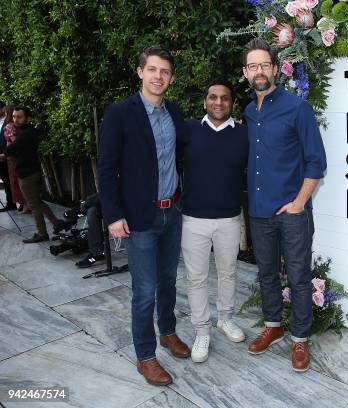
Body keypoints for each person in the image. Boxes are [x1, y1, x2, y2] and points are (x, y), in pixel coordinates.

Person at [97, 46, 188, 386]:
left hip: (172, 212)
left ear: (172, 78)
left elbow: (187, 151)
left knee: (168, 282)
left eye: (164, 71)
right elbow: (106, 170)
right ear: (140, 72)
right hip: (137, 219)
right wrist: (113, 214)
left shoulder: (174, 113)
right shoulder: (121, 114)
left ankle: (168, 333)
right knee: (145, 289)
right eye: (152, 69)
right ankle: (146, 357)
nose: (158, 76)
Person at [242, 38, 327, 372]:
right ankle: (274, 327)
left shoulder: (297, 108)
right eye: (253, 66)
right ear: (245, 72)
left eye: (265, 64)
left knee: (298, 277)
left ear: (275, 69)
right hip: (259, 212)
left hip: (292, 214)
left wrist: (299, 203)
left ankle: (300, 340)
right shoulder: (248, 112)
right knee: (265, 274)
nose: (260, 71)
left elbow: (316, 163)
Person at [181, 79, 248, 363]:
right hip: (193, 219)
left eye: (224, 98)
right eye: (213, 97)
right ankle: (201, 330)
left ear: (232, 103)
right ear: (204, 101)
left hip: (229, 218)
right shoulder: (187, 130)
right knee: (196, 278)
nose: (218, 102)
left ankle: (225, 319)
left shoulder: (244, 134)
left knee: (228, 272)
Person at [4, 106, 71, 243]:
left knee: (34, 204)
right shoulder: (26, 132)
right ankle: (57, 223)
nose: (16, 120)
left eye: (19, 117)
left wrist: (12, 140)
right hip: (29, 171)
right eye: (14, 116)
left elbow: (9, 150)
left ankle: (42, 233)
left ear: (29, 118)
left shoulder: (27, 134)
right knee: (37, 202)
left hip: (27, 174)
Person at [2, 106, 27, 213]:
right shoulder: (17, 126)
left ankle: (24, 203)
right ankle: (22, 203)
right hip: (12, 157)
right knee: (16, 181)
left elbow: (16, 143)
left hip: (13, 157)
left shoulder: (10, 127)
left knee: (16, 181)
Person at [0, 101, 16, 211]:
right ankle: (10, 202)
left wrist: (5, 152)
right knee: (4, 178)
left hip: (7, 154)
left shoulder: (9, 121)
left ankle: (13, 202)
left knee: (9, 179)